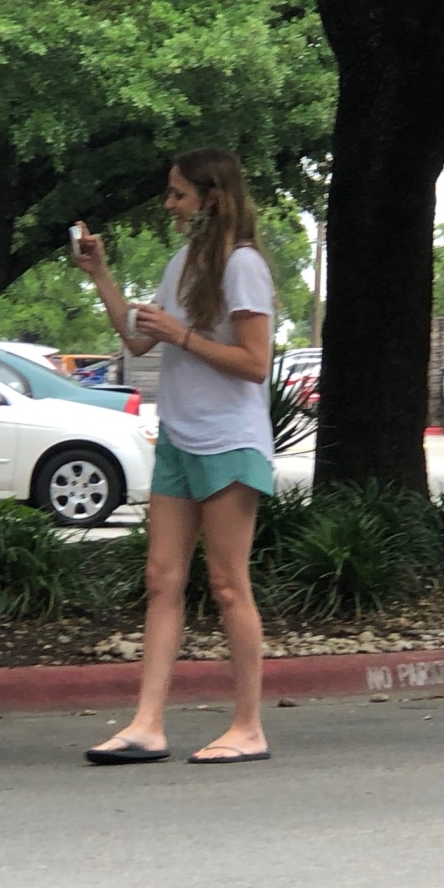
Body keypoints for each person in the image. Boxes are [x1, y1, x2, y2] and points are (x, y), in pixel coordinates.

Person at [73, 147, 275, 766]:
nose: (169, 204)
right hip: (182, 440)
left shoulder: (243, 266)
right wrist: (101, 276)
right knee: (162, 580)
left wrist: (182, 335)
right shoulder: (181, 263)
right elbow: (138, 340)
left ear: (211, 197)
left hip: (231, 442)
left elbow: (256, 363)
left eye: (179, 194)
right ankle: (147, 724)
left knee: (227, 585)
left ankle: (248, 727)